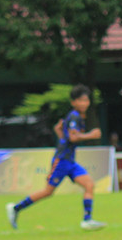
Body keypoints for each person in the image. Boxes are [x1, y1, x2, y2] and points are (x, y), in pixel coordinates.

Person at [6, 84, 106, 231]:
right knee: (48, 191)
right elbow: (73, 137)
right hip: (62, 161)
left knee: (89, 185)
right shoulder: (74, 116)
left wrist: (60, 132)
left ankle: (87, 220)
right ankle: (16, 208)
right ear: (73, 102)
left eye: (86, 100)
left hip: (70, 161)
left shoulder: (75, 117)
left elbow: (62, 133)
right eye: (81, 100)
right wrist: (92, 135)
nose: (84, 103)